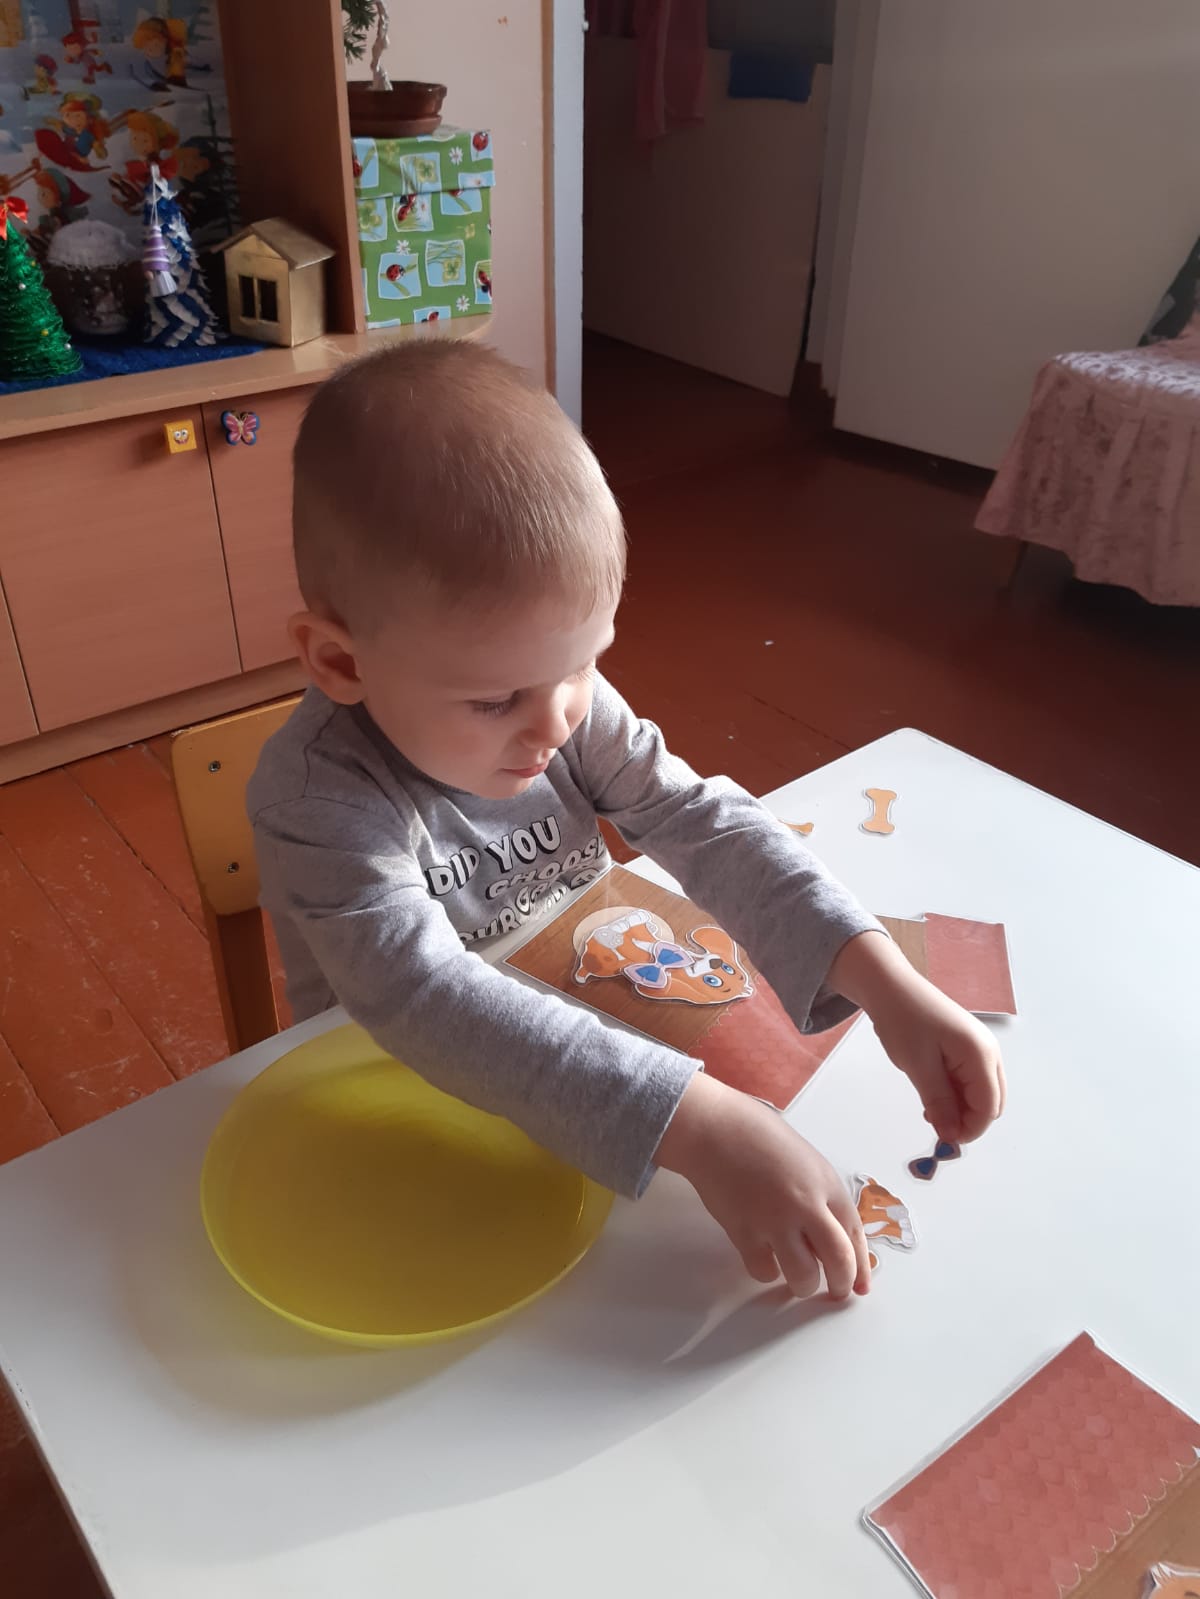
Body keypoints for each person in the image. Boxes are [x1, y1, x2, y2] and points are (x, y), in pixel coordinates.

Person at [248, 343, 1006, 1302]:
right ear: (341, 662)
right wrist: (702, 1124)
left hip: (586, 1045)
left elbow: (699, 818)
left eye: (584, 663)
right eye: (496, 700)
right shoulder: (316, 799)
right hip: (402, 1095)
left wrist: (883, 979)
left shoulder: (554, 701)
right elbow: (425, 999)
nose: (557, 723)